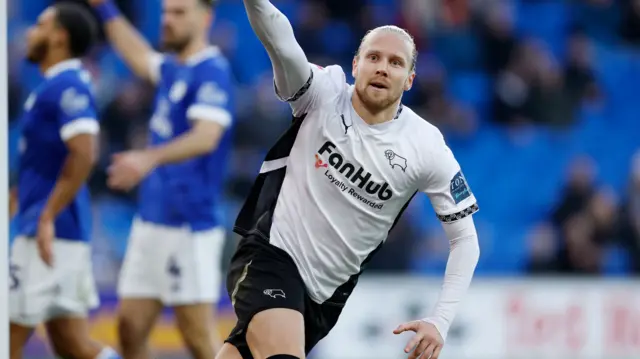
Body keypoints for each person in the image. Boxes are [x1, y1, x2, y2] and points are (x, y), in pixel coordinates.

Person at [217, 1, 482, 359]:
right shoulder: (322, 93)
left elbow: (465, 239)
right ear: (356, 65)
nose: (382, 68)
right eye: (373, 57)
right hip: (271, 253)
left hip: (326, 297)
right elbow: (281, 40)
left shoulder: (426, 146)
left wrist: (440, 320)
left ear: (410, 79)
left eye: (396, 63)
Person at [89, 1, 234, 359]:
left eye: (180, 13)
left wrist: (147, 157)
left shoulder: (212, 71)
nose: (168, 21)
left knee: (197, 334)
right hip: (151, 219)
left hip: (189, 224)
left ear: (206, 17)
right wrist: (104, 8)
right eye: (166, 12)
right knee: (129, 328)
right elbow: (138, 55)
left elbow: (207, 136)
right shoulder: (174, 67)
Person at [8, 3, 120, 359]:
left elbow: (85, 152)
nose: (30, 31)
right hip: (56, 233)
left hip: (48, 235)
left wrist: (45, 216)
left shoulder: (68, 85)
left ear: (59, 37)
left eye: (40, 25)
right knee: (72, 345)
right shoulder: (50, 86)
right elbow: (45, 163)